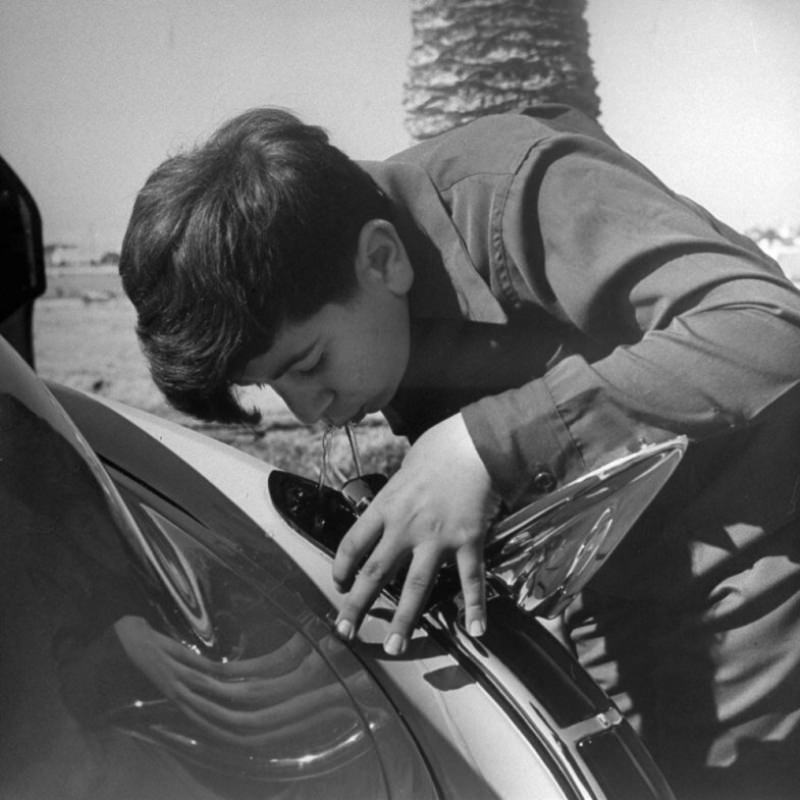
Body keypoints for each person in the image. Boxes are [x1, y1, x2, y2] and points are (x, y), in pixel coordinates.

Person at [119, 104, 800, 799]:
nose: (309, 410)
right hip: (613, 583)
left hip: (761, 544)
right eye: (271, 388)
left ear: (383, 258)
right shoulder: (367, 304)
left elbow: (770, 327)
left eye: (309, 363)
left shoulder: (518, 189)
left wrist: (486, 443)